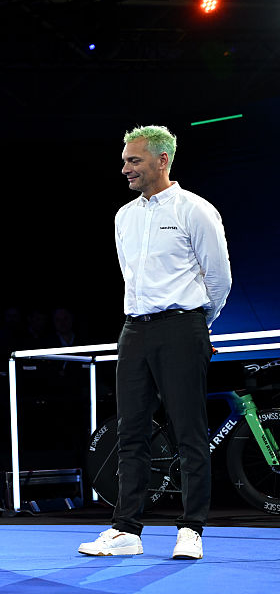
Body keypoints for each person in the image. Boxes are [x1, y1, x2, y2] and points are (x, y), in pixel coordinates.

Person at [79, 125, 231, 560]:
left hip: (181, 327)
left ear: (162, 160)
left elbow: (219, 278)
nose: (125, 168)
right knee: (131, 431)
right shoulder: (123, 216)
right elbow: (131, 277)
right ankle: (126, 529)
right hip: (134, 330)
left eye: (134, 160)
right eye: (125, 160)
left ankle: (191, 529)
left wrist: (196, 323)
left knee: (188, 431)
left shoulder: (195, 210)